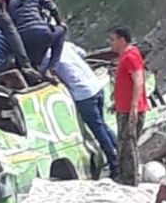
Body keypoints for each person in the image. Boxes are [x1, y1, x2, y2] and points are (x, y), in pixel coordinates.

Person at [44, 41, 118, 179]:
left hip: (83, 94)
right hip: (96, 86)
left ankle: (115, 163)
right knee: (102, 125)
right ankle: (123, 153)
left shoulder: (47, 56)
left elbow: (45, 72)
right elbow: (83, 54)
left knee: (98, 130)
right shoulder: (65, 44)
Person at [108, 26, 149, 186]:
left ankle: (130, 180)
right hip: (123, 108)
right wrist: (117, 103)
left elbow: (138, 81)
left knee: (128, 145)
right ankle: (125, 177)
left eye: (112, 39)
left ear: (122, 40)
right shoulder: (125, 56)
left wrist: (133, 107)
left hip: (131, 110)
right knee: (123, 144)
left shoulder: (130, 56)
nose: (110, 43)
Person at [10, 0, 65, 76]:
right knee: (61, 31)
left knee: (31, 63)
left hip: (22, 37)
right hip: (40, 31)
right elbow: (52, 7)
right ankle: (51, 68)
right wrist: (59, 23)